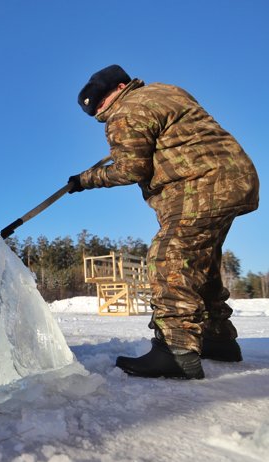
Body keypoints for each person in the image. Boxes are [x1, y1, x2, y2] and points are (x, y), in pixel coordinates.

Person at [69, 64, 259, 379]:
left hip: (201, 182)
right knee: (201, 263)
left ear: (119, 87)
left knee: (169, 256)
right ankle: (217, 339)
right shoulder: (165, 91)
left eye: (102, 101)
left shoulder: (126, 111)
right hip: (234, 177)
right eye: (97, 109)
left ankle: (176, 351)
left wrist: (84, 180)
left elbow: (131, 169)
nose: (102, 111)